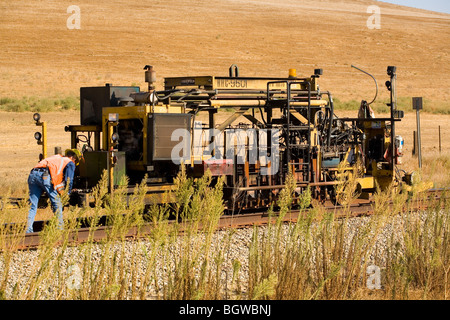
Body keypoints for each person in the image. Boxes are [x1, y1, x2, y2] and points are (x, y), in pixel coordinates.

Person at [26, 149, 81, 233]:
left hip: (32, 175)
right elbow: (69, 180)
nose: (74, 163)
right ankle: (60, 229)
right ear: (74, 158)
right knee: (57, 203)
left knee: (33, 206)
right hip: (44, 176)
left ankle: (28, 230)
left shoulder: (57, 157)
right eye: (75, 161)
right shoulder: (69, 162)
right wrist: (67, 193)